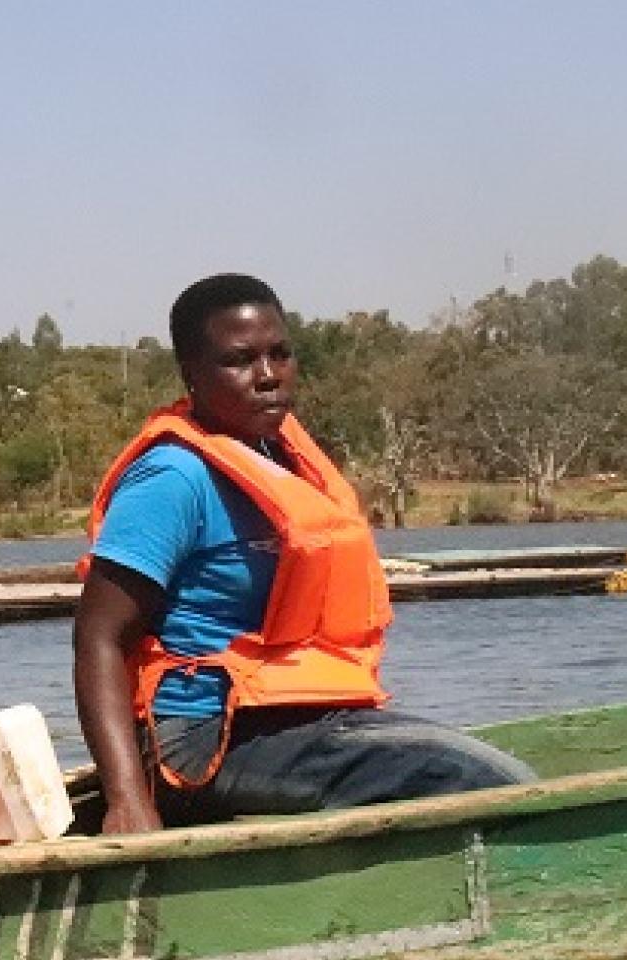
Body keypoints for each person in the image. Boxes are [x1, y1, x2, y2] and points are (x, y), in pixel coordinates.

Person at [73, 274, 535, 836]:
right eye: (239, 361)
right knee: (466, 776)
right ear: (191, 373)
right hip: (200, 739)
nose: (267, 376)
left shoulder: (282, 456)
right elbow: (99, 636)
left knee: (487, 767)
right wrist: (128, 801)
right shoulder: (173, 477)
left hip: (294, 719)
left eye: (280, 354)